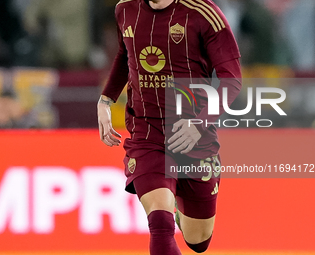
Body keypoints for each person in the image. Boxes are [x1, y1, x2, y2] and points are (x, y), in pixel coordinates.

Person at [97, 0, 242, 254]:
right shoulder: (125, 9)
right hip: (147, 133)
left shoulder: (204, 14)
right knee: (160, 222)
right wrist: (106, 98)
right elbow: (125, 53)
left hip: (195, 136)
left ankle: (180, 209)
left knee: (198, 241)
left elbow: (232, 79)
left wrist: (199, 122)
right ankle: (167, 203)